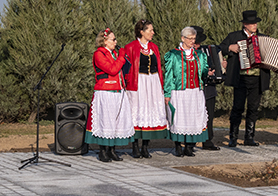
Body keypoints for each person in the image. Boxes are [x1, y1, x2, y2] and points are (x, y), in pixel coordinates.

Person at [220, 10, 271, 147]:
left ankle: (249, 137)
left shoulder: (263, 38)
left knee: (254, 108)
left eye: (255, 23)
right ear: (244, 24)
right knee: (237, 107)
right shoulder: (234, 36)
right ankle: (233, 137)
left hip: (257, 79)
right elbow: (221, 47)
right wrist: (230, 47)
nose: (254, 25)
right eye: (251, 23)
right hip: (241, 78)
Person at [84, 28, 135, 162]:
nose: (116, 41)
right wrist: (121, 57)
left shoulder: (114, 54)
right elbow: (112, 69)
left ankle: (112, 150)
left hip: (118, 90)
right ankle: (103, 151)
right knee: (105, 121)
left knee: (116, 121)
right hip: (105, 91)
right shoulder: (99, 54)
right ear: (105, 41)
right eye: (113, 39)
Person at [123, 19, 169, 158]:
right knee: (137, 113)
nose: (153, 32)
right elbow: (126, 69)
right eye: (150, 30)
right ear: (141, 32)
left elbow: (158, 67)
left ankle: (145, 147)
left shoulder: (154, 47)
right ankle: (135, 146)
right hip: (138, 83)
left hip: (153, 82)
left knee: (150, 112)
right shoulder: (130, 47)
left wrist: (160, 84)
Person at [164, 27, 211, 157]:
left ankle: (190, 146)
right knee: (179, 118)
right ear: (182, 38)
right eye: (189, 38)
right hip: (179, 91)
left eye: (193, 39)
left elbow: (204, 71)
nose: (192, 41)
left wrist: (209, 71)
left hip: (195, 91)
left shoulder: (200, 55)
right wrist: (167, 93)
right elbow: (169, 75)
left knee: (193, 117)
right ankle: (178, 146)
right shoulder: (173, 55)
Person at [193, 26, 221, 150]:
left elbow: (216, 66)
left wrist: (221, 66)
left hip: (208, 88)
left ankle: (207, 140)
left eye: (198, 41)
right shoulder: (183, 52)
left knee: (209, 114)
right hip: (193, 88)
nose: (196, 44)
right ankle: (191, 141)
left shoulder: (208, 50)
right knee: (193, 115)